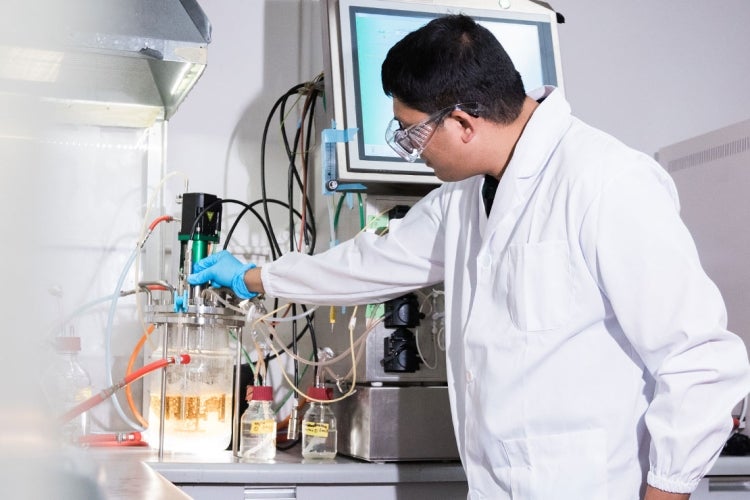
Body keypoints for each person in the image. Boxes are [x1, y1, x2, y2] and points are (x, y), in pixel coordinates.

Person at [188, 14, 750, 500]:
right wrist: (256, 277)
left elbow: (700, 365)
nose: (410, 151)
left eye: (411, 134)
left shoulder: (607, 182)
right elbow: (364, 262)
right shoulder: (462, 200)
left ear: (461, 122)